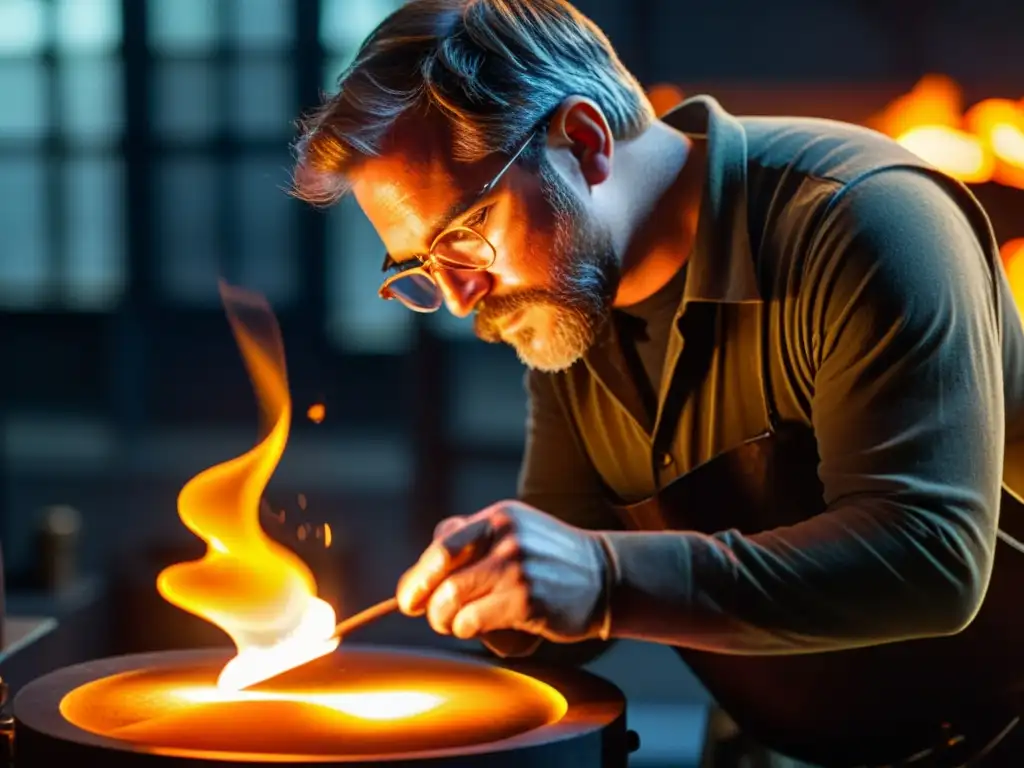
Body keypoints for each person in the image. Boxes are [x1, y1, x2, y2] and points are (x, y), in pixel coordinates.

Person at [291, 0, 1024, 764]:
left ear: (583, 140)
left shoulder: (862, 221)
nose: (458, 297)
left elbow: (931, 560)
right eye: (419, 267)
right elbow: (567, 571)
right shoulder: (567, 303)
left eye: (464, 236)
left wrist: (604, 579)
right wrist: (505, 590)